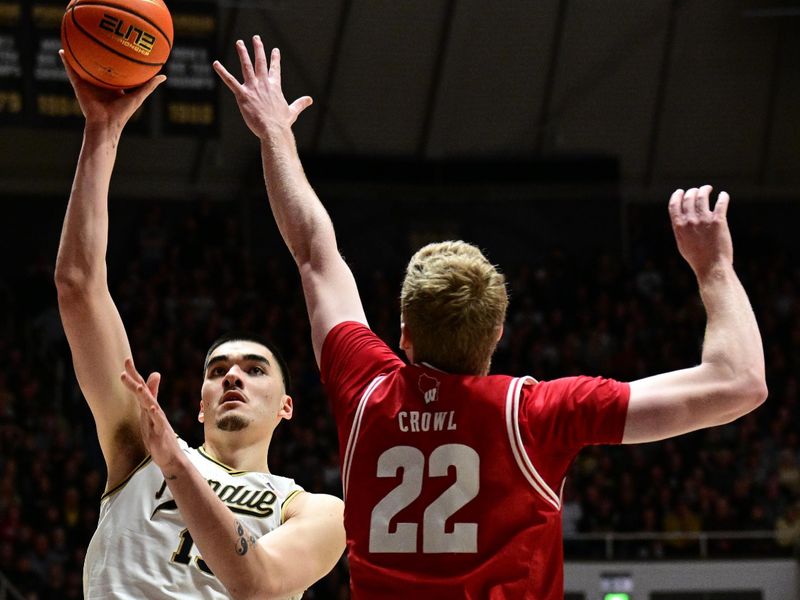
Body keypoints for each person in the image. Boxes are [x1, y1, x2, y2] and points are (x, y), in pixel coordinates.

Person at [214, 37, 767, 599]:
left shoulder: (365, 391)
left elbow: (313, 250)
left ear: (403, 333)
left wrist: (275, 135)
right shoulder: (535, 414)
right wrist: (714, 268)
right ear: (497, 334)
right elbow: (738, 384)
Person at [54, 51, 345, 599]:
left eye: (254, 369)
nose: (233, 376)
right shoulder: (141, 448)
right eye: (218, 370)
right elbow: (77, 287)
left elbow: (258, 584)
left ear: (287, 405)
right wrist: (101, 133)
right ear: (200, 403)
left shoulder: (313, 509)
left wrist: (175, 466)